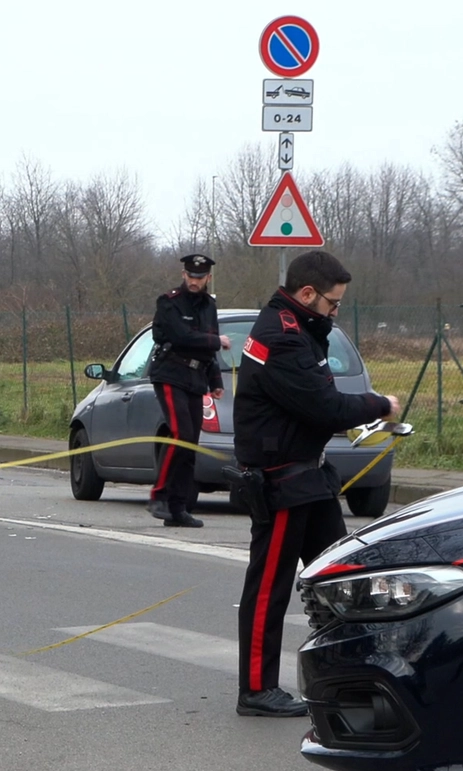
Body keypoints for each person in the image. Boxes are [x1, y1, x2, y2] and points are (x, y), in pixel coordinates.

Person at [232, 250, 400, 717]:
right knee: (270, 586)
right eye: (332, 303)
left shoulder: (299, 329)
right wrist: (379, 404)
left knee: (341, 578)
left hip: (309, 474)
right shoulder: (281, 337)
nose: (334, 311)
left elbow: (314, 403)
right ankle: (256, 689)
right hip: (282, 479)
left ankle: (350, 677)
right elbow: (325, 406)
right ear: (307, 294)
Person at [145, 253, 230, 529]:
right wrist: (216, 341)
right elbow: (182, 337)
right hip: (170, 373)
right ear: (184, 275)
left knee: (190, 443)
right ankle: (159, 495)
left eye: (200, 277)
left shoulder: (209, 306)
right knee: (180, 433)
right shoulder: (168, 302)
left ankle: (178, 508)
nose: (194, 281)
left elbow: (206, 349)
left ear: (208, 278)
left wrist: (216, 381)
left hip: (195, 376)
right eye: (190, 276)